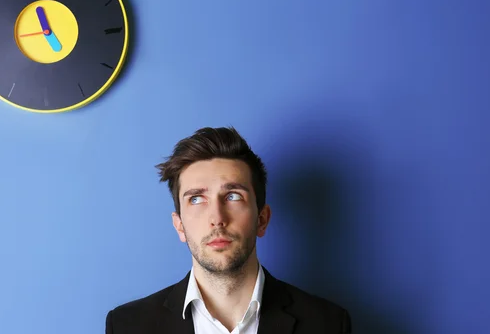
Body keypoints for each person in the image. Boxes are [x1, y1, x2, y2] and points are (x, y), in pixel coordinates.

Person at [105, 127, 352, 334]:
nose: (217, 219)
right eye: (196, 199)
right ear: (179, 225)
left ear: (262, 219)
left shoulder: (328, 324)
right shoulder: (128, 326)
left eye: (233, 196)